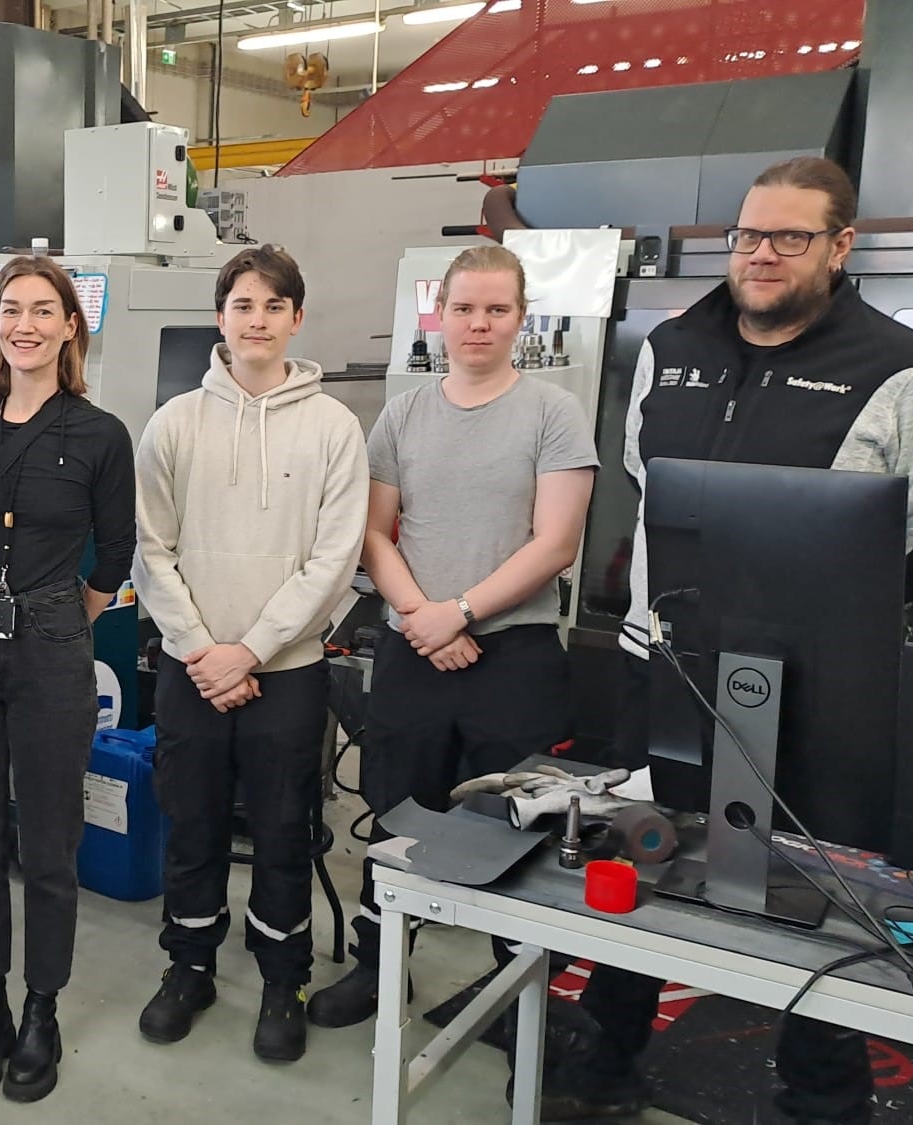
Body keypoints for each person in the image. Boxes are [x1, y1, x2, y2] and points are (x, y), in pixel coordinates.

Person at [548, 156, 913, 1124]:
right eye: (747, 235)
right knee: (642, 854)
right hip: (662, 666)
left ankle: (820, 1095)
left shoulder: (906, 371)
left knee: (822, 896)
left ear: (839, 246)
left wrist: (834, 625)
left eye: (790, 237)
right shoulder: (669, 346)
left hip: (815, 695)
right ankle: (605, 1054)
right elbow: (646, 483)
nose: (760, 254)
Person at [307, 245, 599, 1029]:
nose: (478, 323)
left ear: (521, 319)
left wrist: (459, 611)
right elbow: (372, 532)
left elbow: (556, 543)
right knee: (396, 811)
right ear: (440, 315)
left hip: (515, 657)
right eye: (464, 308)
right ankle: (378, 965)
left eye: (496, 309)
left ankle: (518, 994)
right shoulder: (404, 414)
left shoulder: (553, 413)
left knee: (518, 825)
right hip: (414, 647)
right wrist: (421, 616)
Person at [131, 245, 368, 1063]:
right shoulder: (174, 422)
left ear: (296, 318)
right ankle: (189, 966)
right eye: (242, 304)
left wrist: (252, 651)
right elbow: (150, 549)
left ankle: (282, 978)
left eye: (273, 306)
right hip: (192, 671)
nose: (257, 320)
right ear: (220, 317)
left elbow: (334, 560)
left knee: (282, 830)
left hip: (289, 673)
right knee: (191, 823)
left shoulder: (334, 427)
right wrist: (204, 650)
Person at [0, 256, 135, 1104]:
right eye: (11, 309)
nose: (25, 324)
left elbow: (115, 554)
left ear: (70, 327)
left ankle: (42, 1007)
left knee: (50, 845)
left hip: (52, 645)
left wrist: (61, 616)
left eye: (44, 310)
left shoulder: (100, 434)